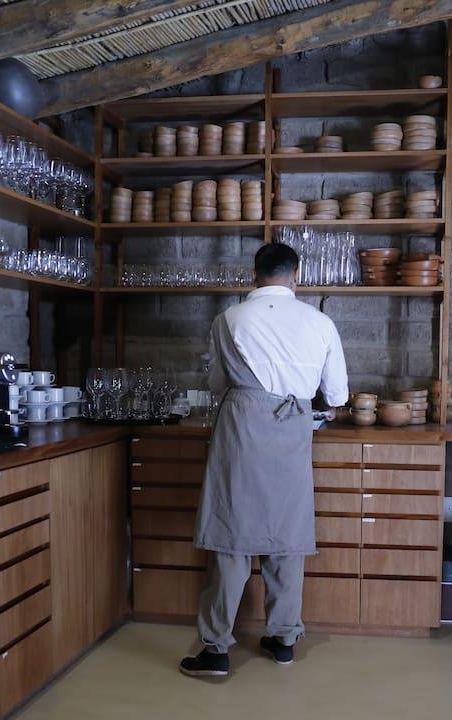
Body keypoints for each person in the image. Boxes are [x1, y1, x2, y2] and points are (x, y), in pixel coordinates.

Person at [179, 243, 349, 678]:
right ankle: (284, 639)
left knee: (231, 535)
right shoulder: (321, 323)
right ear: (296, 275)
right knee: (287, 535)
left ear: (254, 274)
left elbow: (217, 382)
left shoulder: (228, 320)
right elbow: (337, 397)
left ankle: (216, 648)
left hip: (241, 429)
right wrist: (323, 407)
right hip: (293, 431)